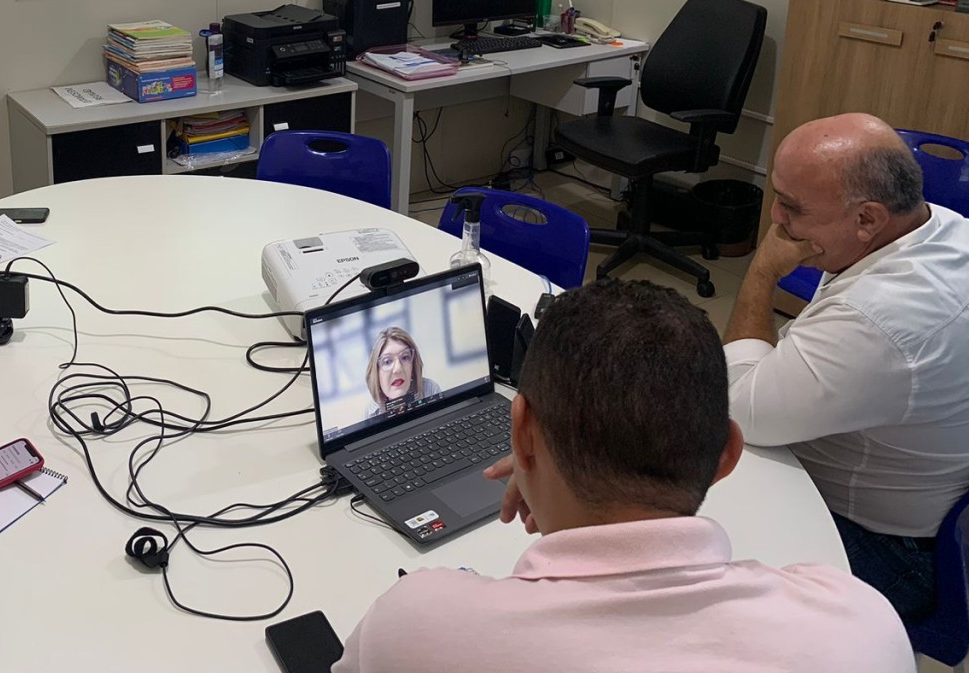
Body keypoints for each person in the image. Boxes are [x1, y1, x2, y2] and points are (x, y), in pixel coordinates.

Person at [334, 279, 913, 673]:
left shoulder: (415, 625)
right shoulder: (859, 627)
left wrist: (550, 482)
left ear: (521, 430)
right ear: (727, 455)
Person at [724, 112, 969, 621]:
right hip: (935, 508)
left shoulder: (878, 322)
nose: (775, 217)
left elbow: (741, 410)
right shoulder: (956, 229)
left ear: (868, 219)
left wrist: (761, 272)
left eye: (792, 207)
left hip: (885, 550)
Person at [362, 327, 440, 418]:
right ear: (377, 372)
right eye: (387, 361)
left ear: (413, 365)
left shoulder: (429, 390)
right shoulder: (372, 412)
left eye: (405, 357)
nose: (398, 369)